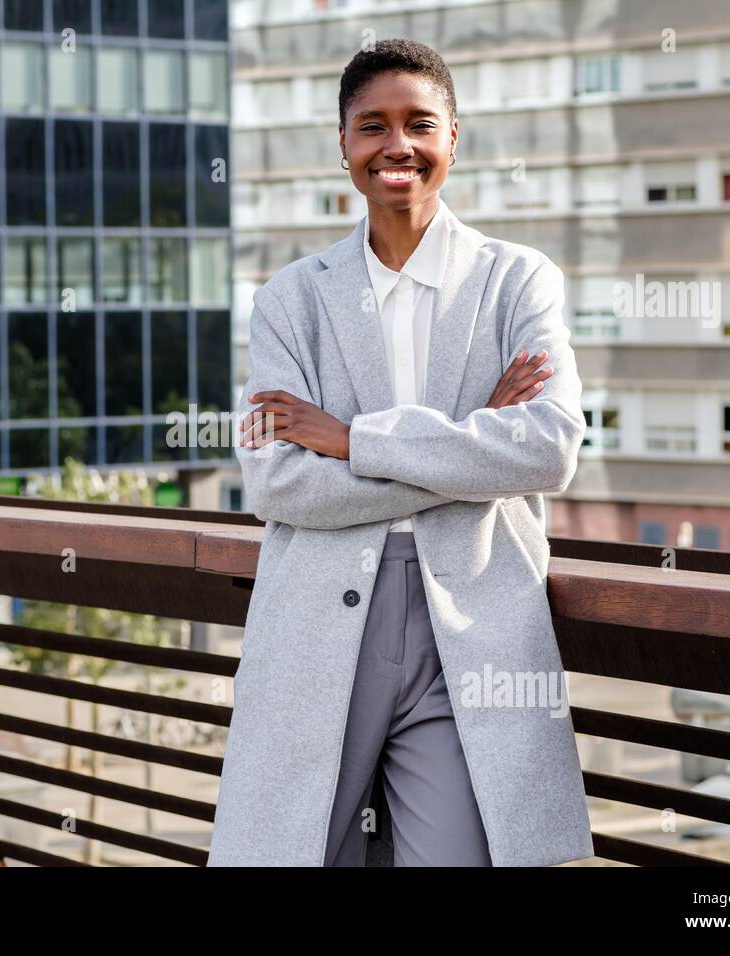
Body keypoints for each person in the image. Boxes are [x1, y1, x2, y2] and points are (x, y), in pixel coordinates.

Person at [208, 38, 593, 867]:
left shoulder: (518, 282)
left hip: (474, 629)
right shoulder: (289, 301)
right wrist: (468, 448)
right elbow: (279, 485)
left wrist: (353, 439)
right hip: (316, 625)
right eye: (371, 126)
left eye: (420, 124)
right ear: (342, 145)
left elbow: (549, 447)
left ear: (454, 136)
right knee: (298, 853)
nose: (397, 146)